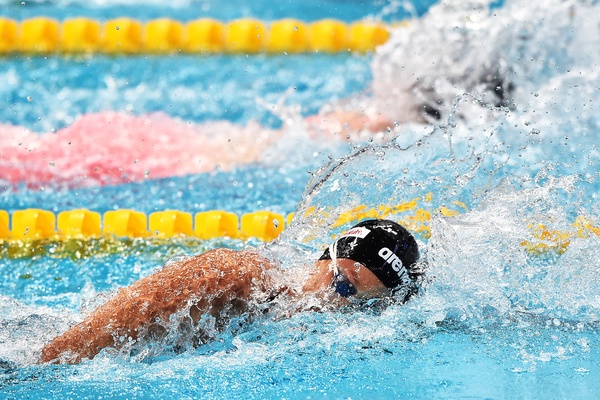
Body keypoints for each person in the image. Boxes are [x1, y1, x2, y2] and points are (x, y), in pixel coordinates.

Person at [39, 219, 421, 364]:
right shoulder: (236, 277)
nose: (335, 304)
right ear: (327, 257)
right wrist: (43, 368)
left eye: (357, 305)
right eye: (341, 284)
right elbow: (96, 333)